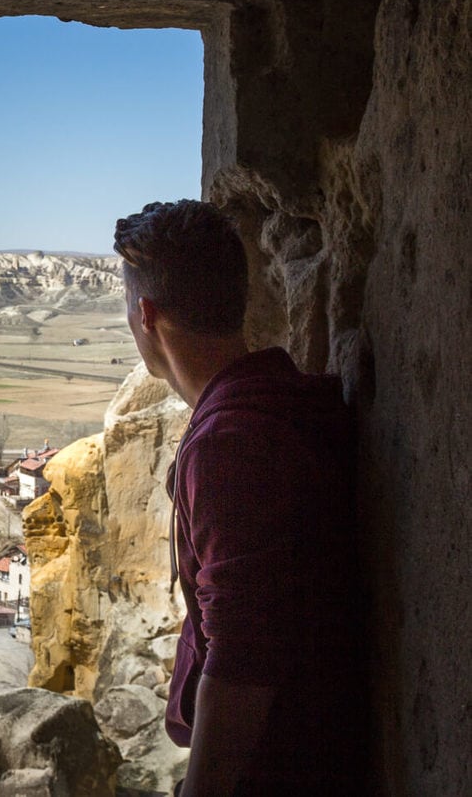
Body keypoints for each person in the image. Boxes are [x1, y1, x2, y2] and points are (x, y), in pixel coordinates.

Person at [113, 200, 366, 796]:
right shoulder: (279, 399)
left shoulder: (228, 443)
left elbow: (243, 657)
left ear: (146, 314)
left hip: (276, 770)